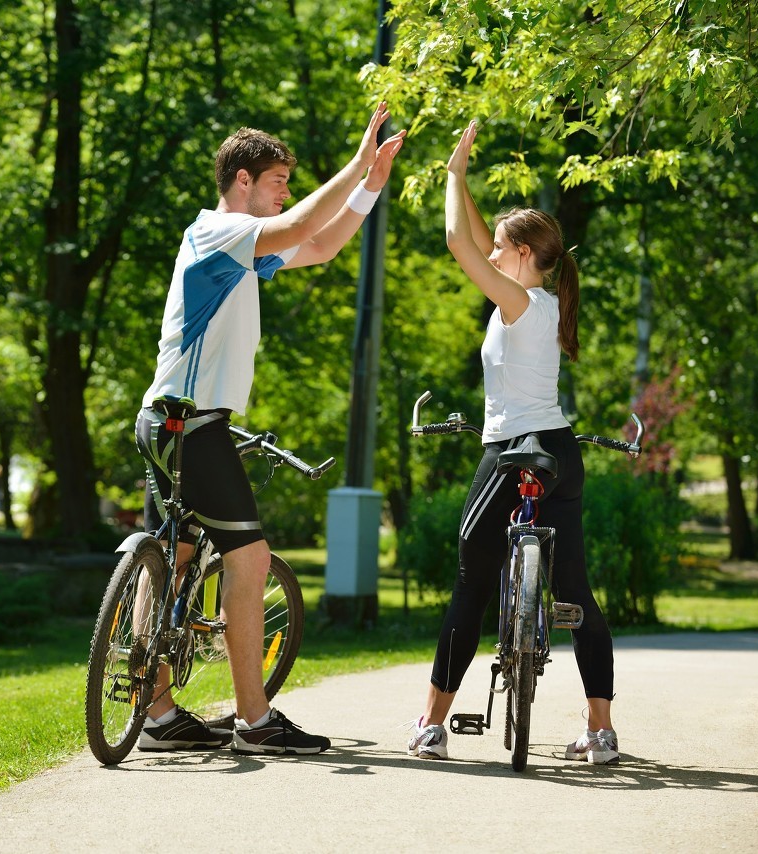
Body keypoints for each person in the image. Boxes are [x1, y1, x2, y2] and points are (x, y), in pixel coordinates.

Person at [134, 104, 406, 756]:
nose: (285, 188)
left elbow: (318, 244)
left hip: (168, 419)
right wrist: (355, 165)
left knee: (170, 558)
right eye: (278, 178)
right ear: (244, 180)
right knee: (250, 559)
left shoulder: (240, 251)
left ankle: (156, 712)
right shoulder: (220, 230)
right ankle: (254, 721)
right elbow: (298, 223)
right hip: (191, 424)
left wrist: (371, 185)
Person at [406, 120, 619, 765]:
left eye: (501, 249)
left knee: (471, 582)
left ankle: (433, 724)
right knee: (577, 593)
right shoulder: (545, 301)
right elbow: (474, 236)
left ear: (523, 255)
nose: (492, 256)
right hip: (560, 449)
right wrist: (461, 177)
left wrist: (449, 177)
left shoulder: (517, 302)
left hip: (511, 450)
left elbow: (454, 241)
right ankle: (601, 732)